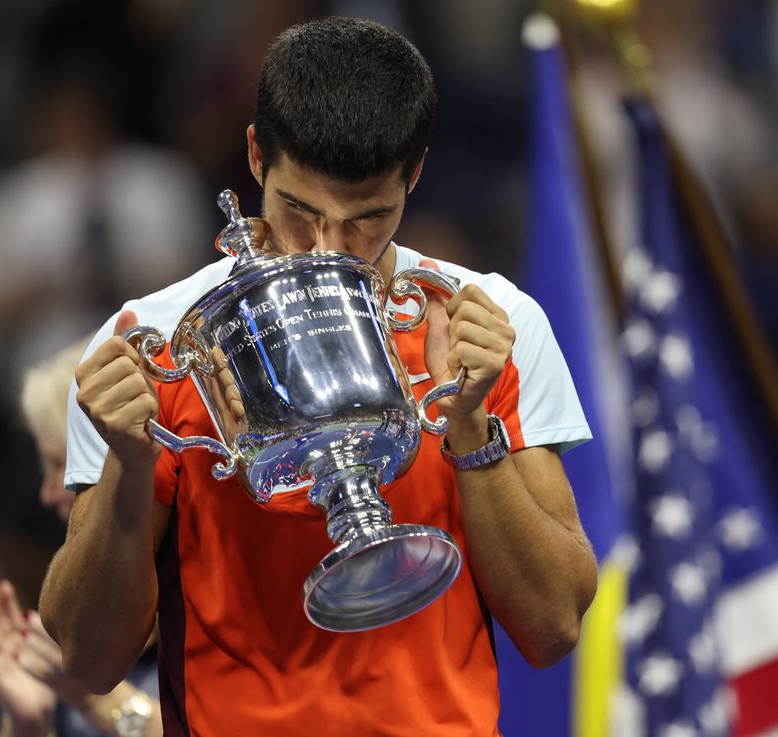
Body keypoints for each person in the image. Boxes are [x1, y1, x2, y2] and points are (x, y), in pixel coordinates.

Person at [40, 17, 598, 736]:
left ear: (416, 173)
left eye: (368, 218)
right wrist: (127, 462)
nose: (328, 248)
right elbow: (87, 658)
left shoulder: (488, 323)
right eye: (299, 212)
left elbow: (552, 626)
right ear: (254, 155)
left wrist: (470, 425)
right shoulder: (156, 344)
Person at [0, 340, 163, 737]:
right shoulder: (69, 616)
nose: (46, 493)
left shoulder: (194, 591)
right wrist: (29, 722)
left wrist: (98, 700)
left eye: (59, 464)